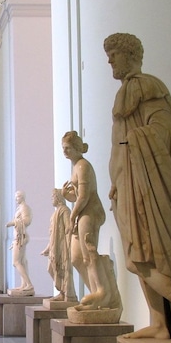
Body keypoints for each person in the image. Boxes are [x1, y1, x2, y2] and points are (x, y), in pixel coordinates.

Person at [105, 34, 171, 343]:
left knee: (143, 259)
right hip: (127, 182)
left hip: (145, 183)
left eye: (114, 54)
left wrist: (132, 144)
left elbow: (163, 133)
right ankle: (160, 323)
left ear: (131, 54)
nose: (110, 61)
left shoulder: (147, 86)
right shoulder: (125, 92)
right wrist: (116, 179)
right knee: (137, 258)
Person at [61, 131, 121, 313]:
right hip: (81, 212)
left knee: (89, 252)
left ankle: (103, 291)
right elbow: (77, 196)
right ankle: (96, 293)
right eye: (63, 148)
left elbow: (85, 197)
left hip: (90, 212)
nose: (65, 151)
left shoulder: (83, 166)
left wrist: (72, 217)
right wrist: (66, 195)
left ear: (78, 148)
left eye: (68, 148)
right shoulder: (75, 167)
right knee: (76, 258)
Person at [42, 188, 75, 302]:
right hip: (54, 245)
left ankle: (67, 295)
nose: (51, 199)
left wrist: (67, 245)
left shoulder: (64, 211)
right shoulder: (55, 213)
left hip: (62, 245)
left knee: (63, 269)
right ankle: (62, 292)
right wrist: (48, 248)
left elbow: (68, 228)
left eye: (53, 197)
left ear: (58, 198)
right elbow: (52, 234)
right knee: (51, 268)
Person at [6, 191, 33, 294]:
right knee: (22, 261)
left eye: (17, 197)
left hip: (21, 237)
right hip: (18, 237)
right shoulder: (20, 208)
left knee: (16, 262)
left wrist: (12, 222)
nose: (16, 199)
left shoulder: (24, 208)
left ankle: (29, 284)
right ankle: (24, 284)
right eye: (16, 197)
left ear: (22, 197)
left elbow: (27, 221)